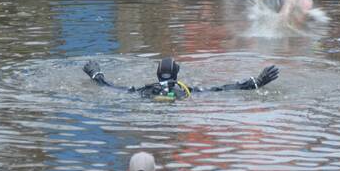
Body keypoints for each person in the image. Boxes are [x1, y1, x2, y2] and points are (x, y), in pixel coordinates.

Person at [83, 57, 278, 100]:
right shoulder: (187, 91)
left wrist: (95, 73)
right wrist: (257, 82)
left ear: (157, 74)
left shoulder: (143, 91)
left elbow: (109, 87)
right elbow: (226, 88)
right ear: (177, 74)